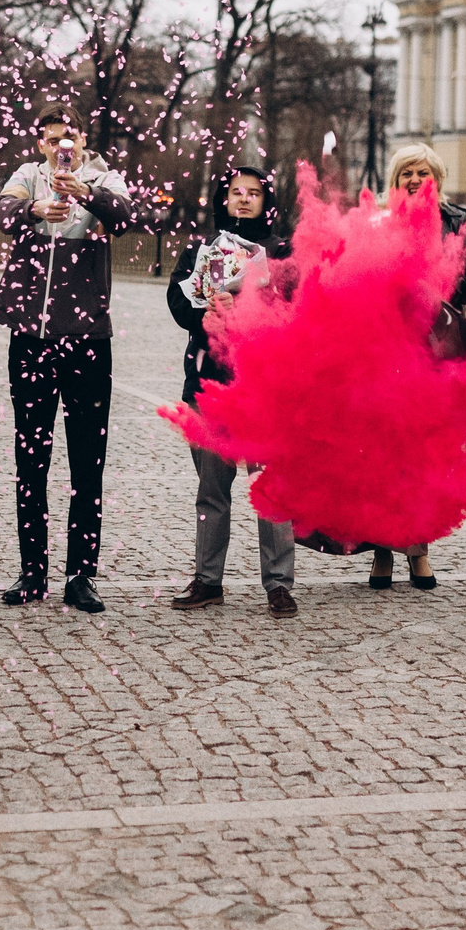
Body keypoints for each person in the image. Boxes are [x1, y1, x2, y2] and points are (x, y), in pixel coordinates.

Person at [0, 110, 133, 611]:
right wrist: (33, 210)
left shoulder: (103, 176)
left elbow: (129, 217)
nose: (59, 149)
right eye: (51, 141)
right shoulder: (27, 176)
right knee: (31, 456)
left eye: (67, 140)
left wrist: (85, 194)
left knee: (87, 459)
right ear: (41, 143)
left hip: (89, 335)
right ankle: (32, 572)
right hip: (31, 334)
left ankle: (80, 573)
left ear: (83, 140)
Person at [167, 167, 298, 617]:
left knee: (272, 488)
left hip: (265, 385)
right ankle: (208, 580)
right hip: (210, 385)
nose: (244, 199)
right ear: (224, 199)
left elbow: (297, 306)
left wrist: (249, 304)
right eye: (236, 192)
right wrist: (200, 313)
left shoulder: (282, 252)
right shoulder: (201, 250)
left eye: (254, 193)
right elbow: (179, 301)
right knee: (211, 488)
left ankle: (279, 585)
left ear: (267, 200)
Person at [367, 142, 463, 591]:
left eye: (423, 172)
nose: (414, 180)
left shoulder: (455, 223)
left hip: (432, 352)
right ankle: (382, 553)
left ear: (437, 179)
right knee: (382, 456)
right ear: (394, 178)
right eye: (406, 172)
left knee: (421, 458)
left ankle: (418, 552)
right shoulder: (378, 221)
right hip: (382, 351)